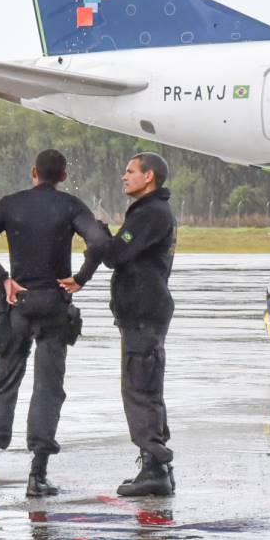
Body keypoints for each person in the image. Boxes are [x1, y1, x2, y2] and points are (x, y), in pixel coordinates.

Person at [0, 149, 108, 497]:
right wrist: (81, 278)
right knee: (48, 388)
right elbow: (100, 241)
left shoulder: (11, 203)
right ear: (63, 176)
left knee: (4, 383)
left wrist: (4, 278)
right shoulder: (71, 206)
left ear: (33, 172)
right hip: (54, 305)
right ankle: (37, 473)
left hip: (18, 303)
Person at [84, 152, 178, 497]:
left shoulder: (150, 213)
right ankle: (158, 465)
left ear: (148, 176)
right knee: (147, 386)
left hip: (143, 312)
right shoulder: (149, 212)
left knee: (139, 388)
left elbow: (116, 255)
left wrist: (99, 236)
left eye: (130, 171)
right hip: (144, 311)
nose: (124, 177)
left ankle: (154, 466)